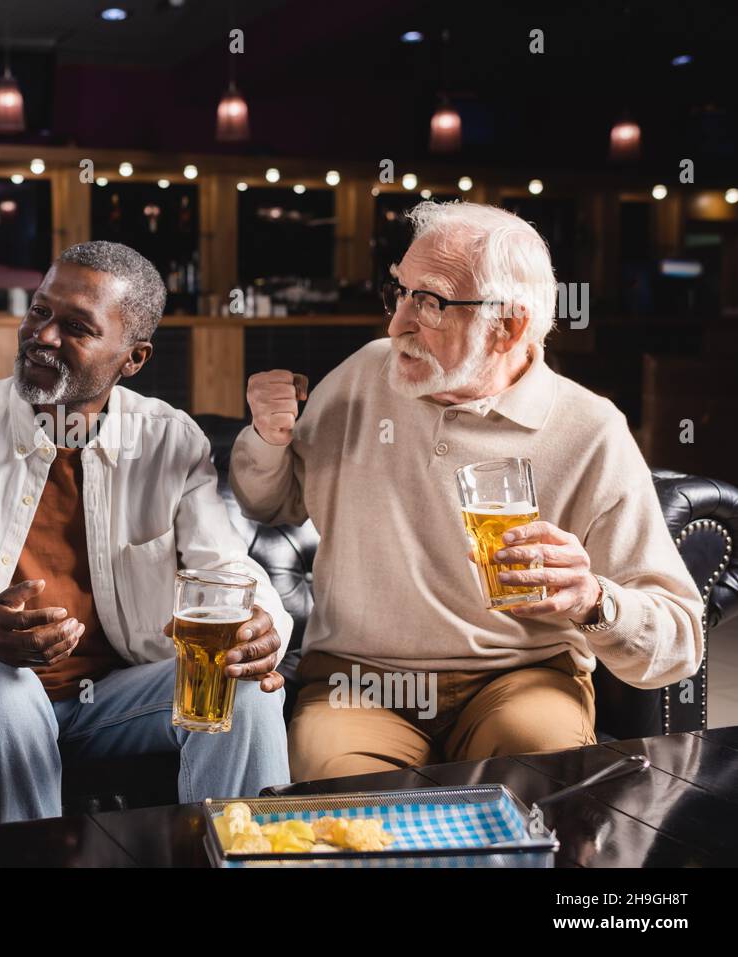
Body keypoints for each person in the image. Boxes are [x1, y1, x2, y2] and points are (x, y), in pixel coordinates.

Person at [231, 200, 704, 782]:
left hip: (519, 677)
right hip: (359, 677)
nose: (397, 323)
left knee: (536, 775)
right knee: (345, 805)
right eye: (398, 293)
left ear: (507, 327)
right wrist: (266, 440)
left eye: (428, 303)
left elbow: (679, 645)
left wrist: (593, 600)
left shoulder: (589, 428)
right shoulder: (363, 376)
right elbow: (270, 503)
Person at [0, 241, 293, 821]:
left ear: (134, 358)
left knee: (239, 690)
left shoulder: (170, 440)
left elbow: (225, 570)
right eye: (40, 311)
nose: (43, 336)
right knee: (6, 684)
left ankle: (239, 859)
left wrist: (262, 626)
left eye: (76, 327)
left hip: (120, 699)